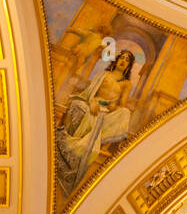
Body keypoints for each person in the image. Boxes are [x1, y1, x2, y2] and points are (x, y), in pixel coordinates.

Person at [55, 50, 136, 192]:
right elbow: (90, 92)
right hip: (95, 105)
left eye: (127, 60)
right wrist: (92, 101)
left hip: (109, 110)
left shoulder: (127, 84)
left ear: (129, 65)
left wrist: (114, 106)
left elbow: (122, 103)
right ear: (116, 60)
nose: (123, 61)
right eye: (121, 58)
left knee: (125, 112)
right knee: (84, 110)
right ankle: (88, 138)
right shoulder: (104, 75)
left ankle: (104, 144)